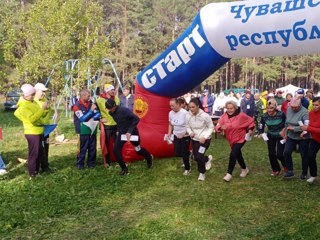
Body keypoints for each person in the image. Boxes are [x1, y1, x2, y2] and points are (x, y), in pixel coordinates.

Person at [105, 98, 153, 175]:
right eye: (107, 109)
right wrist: (118, 130)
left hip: (132, 132)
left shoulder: (123, 110)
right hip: (122, 133)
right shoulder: (111, 112)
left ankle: (149, 157)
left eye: (110, 109)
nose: (109, 111)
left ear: (114, 106)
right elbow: (119, 121)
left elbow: (136, 119)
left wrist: (129, 131)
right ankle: (124, 169)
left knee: (138, 150)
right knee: (116, 150)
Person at [14, 84, 50, 178]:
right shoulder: (23, 106)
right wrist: (42, 109)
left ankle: (36, 171)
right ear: (26, 95)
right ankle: (32, 173)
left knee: (39, 152)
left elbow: (39, 115)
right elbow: (32, 119)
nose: (34, 96)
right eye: (32, 94)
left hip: (39, 130)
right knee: (34, 153)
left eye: (34, 94)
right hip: (32, 132)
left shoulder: (32, 102)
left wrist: (45, 109)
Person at [215, 100, 255, 182]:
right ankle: (244, 169)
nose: (229, 110)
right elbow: (218, 126)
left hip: (241, 138)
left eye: (231, 108)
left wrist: (250, 129)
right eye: (228, 108)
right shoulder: (224, 116)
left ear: (235, 108)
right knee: (237, 154)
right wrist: (220, 128)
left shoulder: (241, 115)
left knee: (233, 154)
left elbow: (250, 121)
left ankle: (229, 174)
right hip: (231, 139)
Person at [281, 97, 310, 179]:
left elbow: (307, 126)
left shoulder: (305, 112)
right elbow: (287, 122)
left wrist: (295, 128)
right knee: (286, 152)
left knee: (304, 155)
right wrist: (285, 132)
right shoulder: (289, 109)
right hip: (291, 136)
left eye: (295, 107)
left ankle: (304, 173)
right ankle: (290, 171)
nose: (293, 108)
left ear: (300, 105)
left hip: (302, 137)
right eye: (292, 106)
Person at [186, 98, 213, 181]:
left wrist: (204, 137)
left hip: (205, 140)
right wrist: (190, 133)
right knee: (196, 157)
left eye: (193, 107)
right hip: (195, 139)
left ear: (198, 106)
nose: (191, 109)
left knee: (199, 156)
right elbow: (187, 126)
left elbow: (211, 127)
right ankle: (207, 159)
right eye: (189, 107)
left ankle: (202, 173)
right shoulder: (188, 115)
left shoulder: (205, 116)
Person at [72, 89, 100, 169]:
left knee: (92, 147)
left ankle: (91, 163)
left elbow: (98, 113)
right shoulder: (76, 106)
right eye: (88, 96)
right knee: (82, 148)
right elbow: (82, 118)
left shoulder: (90, 103)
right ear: (83, 95)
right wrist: (91, 111)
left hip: (92, 129)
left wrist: (93, 118)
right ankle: (80, 164)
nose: (89, 97)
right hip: (81, 130)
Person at [259, 99, 287, 176]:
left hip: (281, 135)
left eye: (271, 108)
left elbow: (286, 123)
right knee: (271, 154)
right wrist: (262, 134)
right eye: (267, 108)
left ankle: (285, 165)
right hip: (271, 136)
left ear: (275, 107)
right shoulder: (264, 116)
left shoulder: (281, 114)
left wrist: (284, 131)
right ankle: (276, 169)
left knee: (280, 154)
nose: (269, 110)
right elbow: (261, 126)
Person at [96, 84, 120, 167]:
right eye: (111, 90)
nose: (113, 91)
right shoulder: (99, 100)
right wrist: (99, 119)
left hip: (116, 125)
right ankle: (107, 162)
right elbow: (94, 112)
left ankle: (119, 161)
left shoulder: (117, 99)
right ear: (107, 91)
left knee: (117, 144)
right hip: (106, 126)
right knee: (105, 144)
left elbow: (119, 111)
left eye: (113, 89)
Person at [167, 98, 191, 175]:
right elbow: (170, 124)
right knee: (177, 153)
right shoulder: (170, 113)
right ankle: (189, 154)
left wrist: (183, 134)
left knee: (184, 152)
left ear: (178, 104)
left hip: (185, 135)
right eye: (170, 106)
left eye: (173, 105)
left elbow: (190, 126)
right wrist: (169, 133)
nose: (171, 107)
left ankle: (187, 168)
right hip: (176, 135)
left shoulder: (185, 113)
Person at [300, 97, 320, 183]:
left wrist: (308, 128)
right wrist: (305, 131)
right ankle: (313, 175)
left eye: (317, 105)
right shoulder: (311, 113)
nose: (314, 107)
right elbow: (310, 126)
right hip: (315, 138)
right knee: (310, 156)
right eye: (313, 105)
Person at [34, 82, 52, 173]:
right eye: (42, 91)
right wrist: (44, 108)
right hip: (38, 130)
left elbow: (48, 112)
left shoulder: (44, 99)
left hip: (47, 129)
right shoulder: (33, 102)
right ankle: (37, 167)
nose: (44, 93)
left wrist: (48, 108)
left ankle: (45, 166)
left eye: (45, 92)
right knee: (39, 149)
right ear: (36, 91)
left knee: (46, 146)